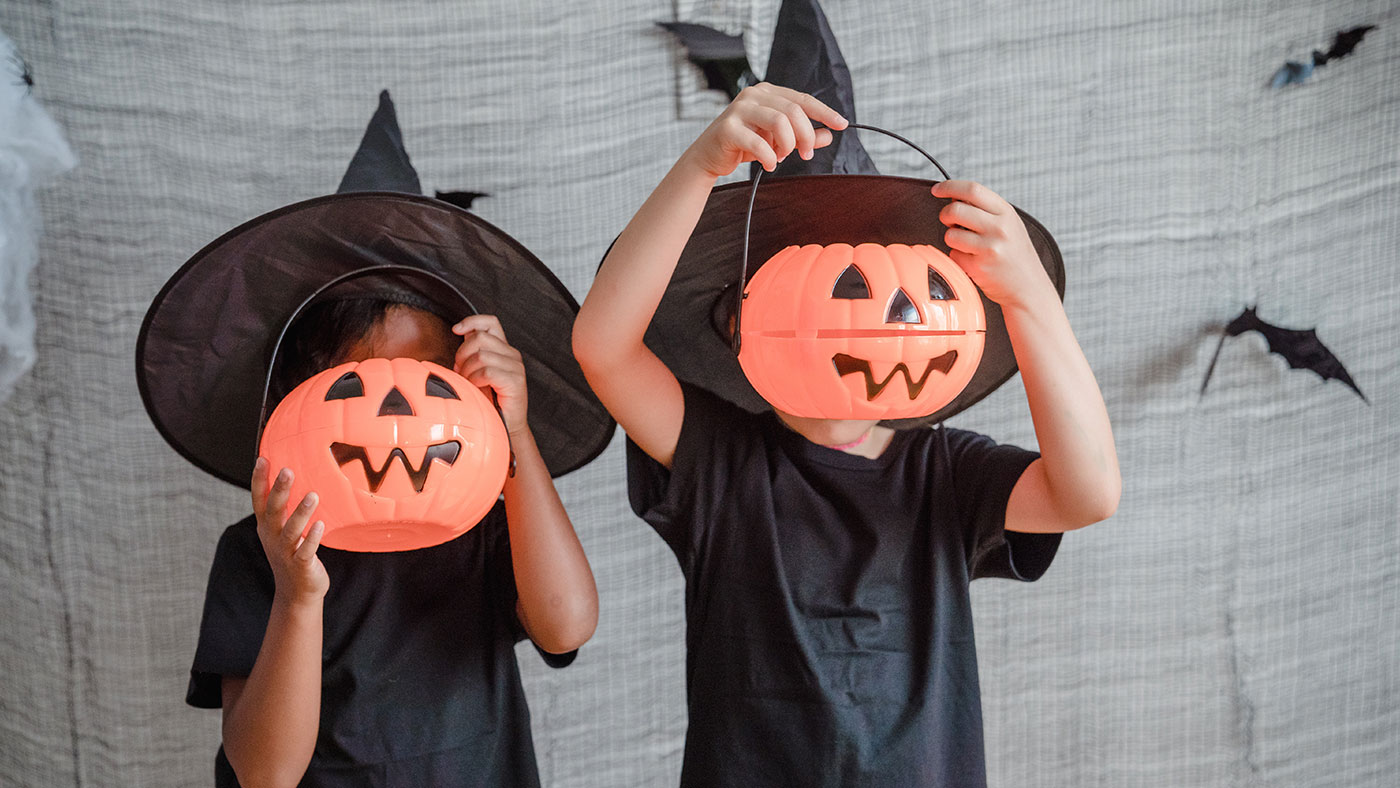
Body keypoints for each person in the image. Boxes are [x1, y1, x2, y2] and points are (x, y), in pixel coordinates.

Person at [573, 83, 1121, 787]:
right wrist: (702, 165)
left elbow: (1089, 493)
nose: (856, 327)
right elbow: (602, 346)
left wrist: (1028, 294)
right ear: (739, 327)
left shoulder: (950, 473)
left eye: (891, 302)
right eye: (831, 296)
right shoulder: (719, 460)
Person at [137, 91, 614, 786]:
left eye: (428, 378)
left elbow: (567, 624)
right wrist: (299, 595)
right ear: (297, 399)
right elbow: (263, 772)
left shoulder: (485, 527)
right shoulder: (256, 552)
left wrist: (512, 429)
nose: (397, 411)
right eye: (356, 383)